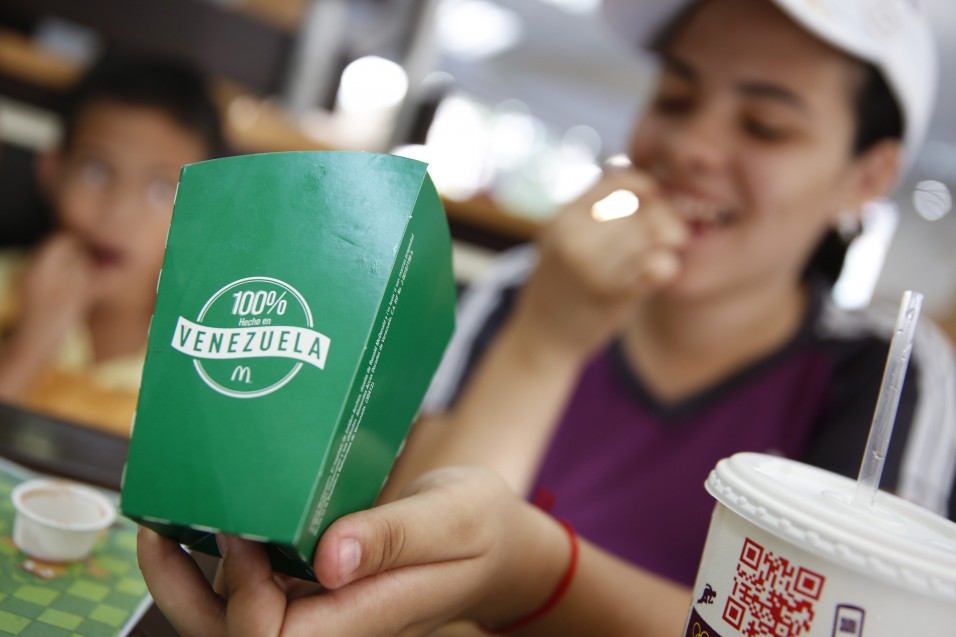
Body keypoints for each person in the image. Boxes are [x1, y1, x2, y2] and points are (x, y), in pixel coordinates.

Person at [137, 0, 956, 633]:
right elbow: (401, 549)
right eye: (675, 97)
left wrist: (539, 574)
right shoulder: (526, 286)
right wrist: (546, 335)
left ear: (867, 175)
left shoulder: (889, 372)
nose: (695, 148)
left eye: (765, 125)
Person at [0, 52, 223, 435]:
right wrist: (31, 346)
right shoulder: (7, 286)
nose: (118, 213)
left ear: (201, 210)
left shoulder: (210, 348)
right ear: (52, 172)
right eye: (96, 170)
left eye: (160, 188)